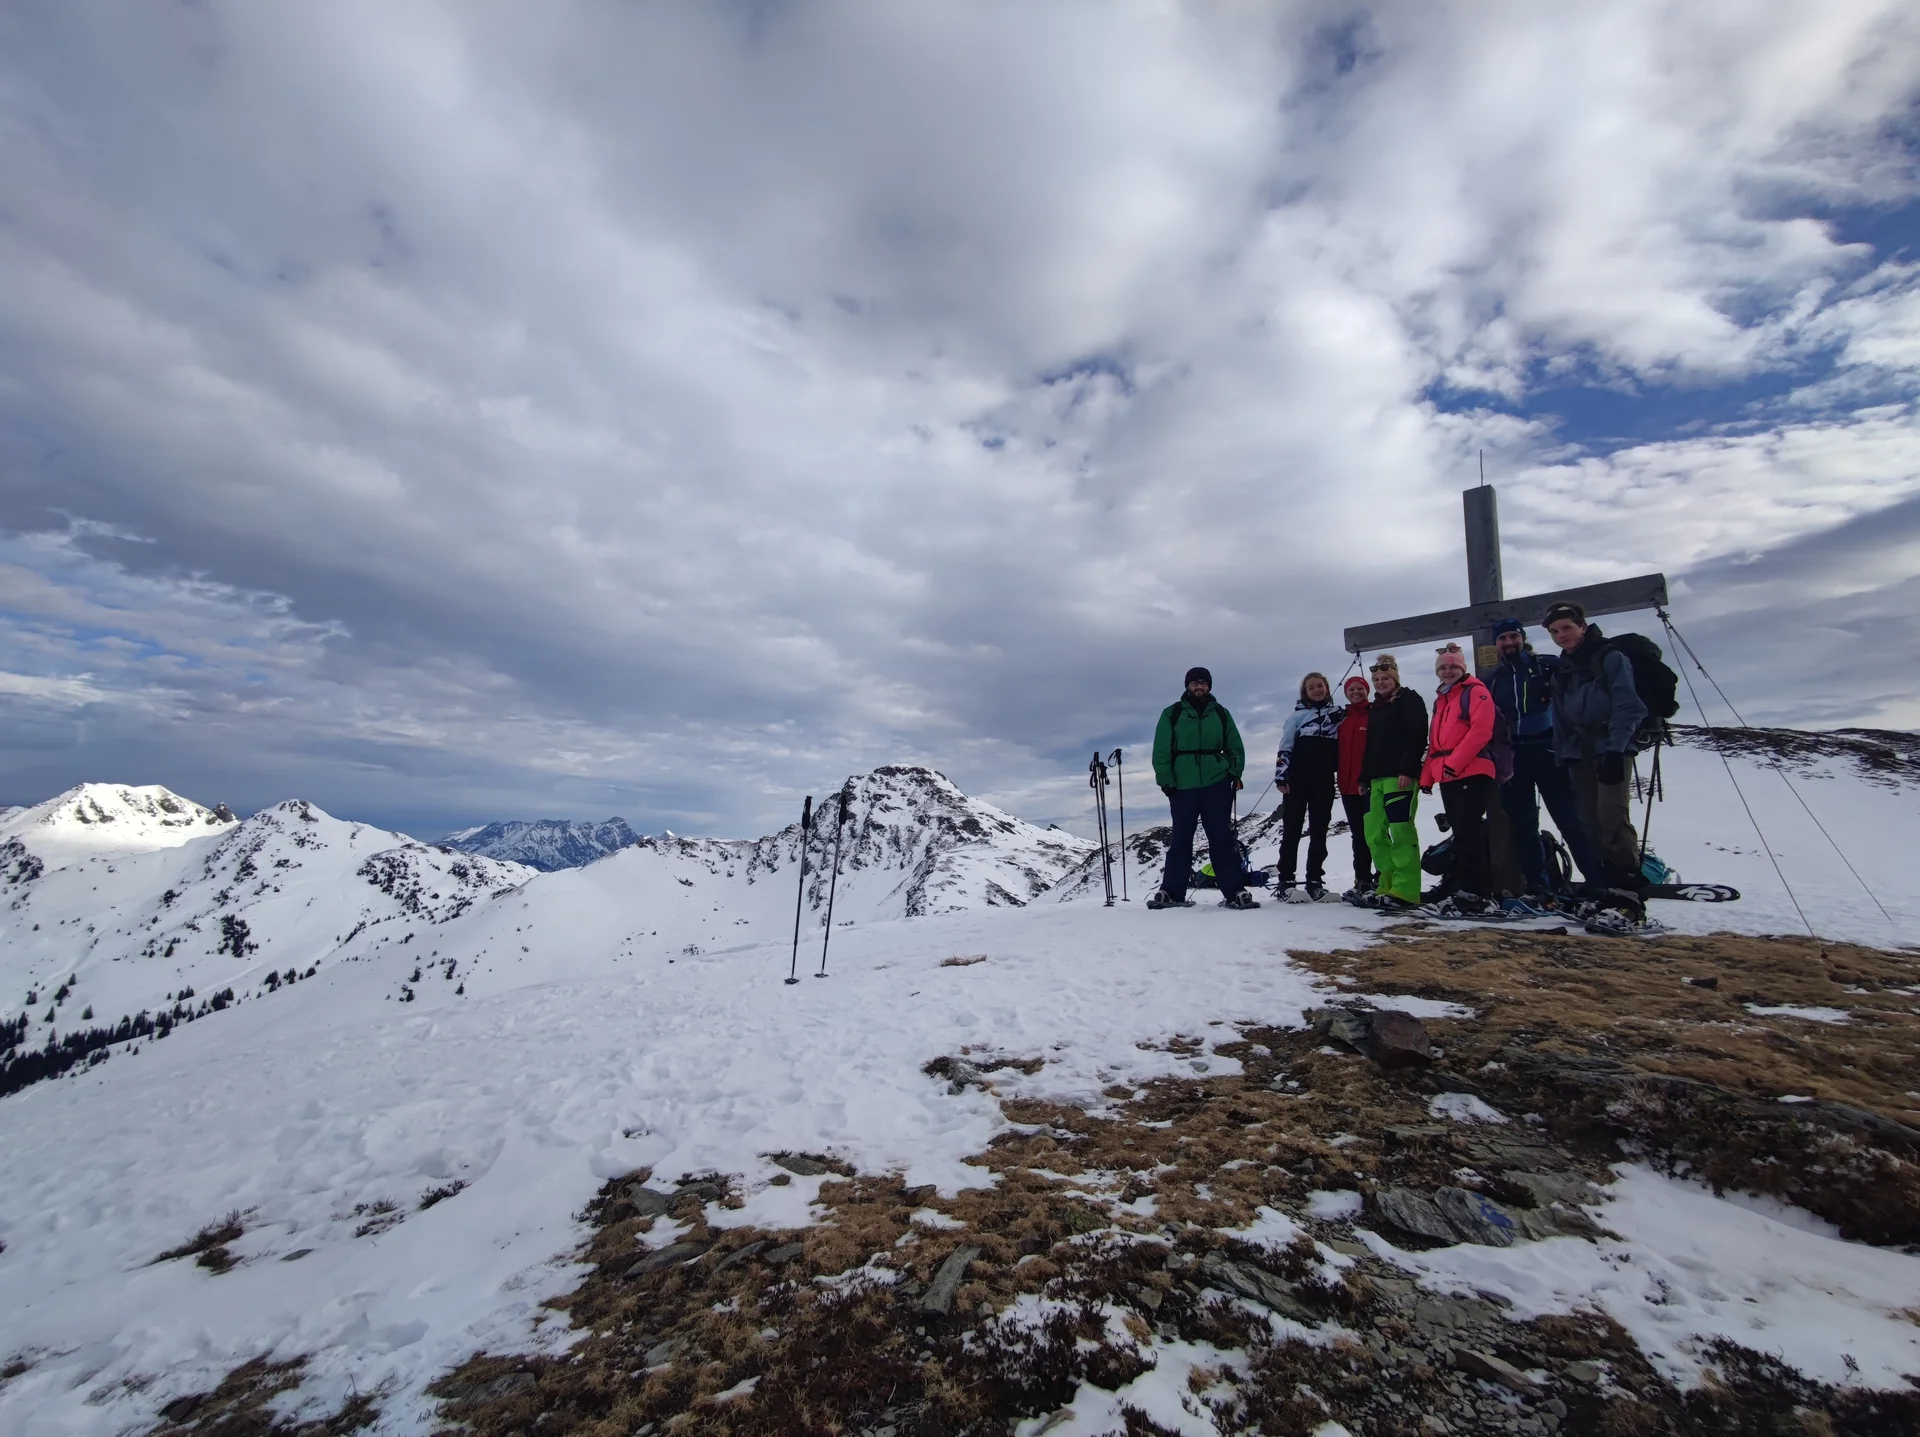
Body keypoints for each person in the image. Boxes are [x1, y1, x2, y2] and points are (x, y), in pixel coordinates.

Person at [1486, 617, 1607, 896]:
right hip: (1513, 755)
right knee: (1522, 822)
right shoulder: (1493, 680)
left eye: (1513, 637)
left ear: (1522, 638)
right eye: (1502, 639)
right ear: (1496, 644)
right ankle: (1538, 885)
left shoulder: (1549, 665)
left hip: (1549, 750)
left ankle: (1597, 881)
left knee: (1569, 819)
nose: (1509, 643)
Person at [1544, 602, 1649, 889]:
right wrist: (1562, 758)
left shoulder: (1610, 658)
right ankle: (1606, 884)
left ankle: (1628, 885)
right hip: (1579, 754)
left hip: (1610, 748)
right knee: (1589, 822)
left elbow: (1628, 704)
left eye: (1567, 627)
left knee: (1612, 816)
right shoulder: (1561, 672)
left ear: (1583, 626)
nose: (1561, 635)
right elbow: (1561, 720)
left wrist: (1616, 749)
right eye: (1555, 631)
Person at [1149, 666, 1257, 910]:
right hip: (1181, 783)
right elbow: (1161, 748)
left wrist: (1233, 772)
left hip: (1216, 782)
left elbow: (1234, 745)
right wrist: (1165, 778)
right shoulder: (1172, 713)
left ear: (1209, 686)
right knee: (1180, 838)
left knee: (1221, 837)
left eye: (1204, 683)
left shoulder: (1220, 713)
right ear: (1187, 685)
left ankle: (1235, 891)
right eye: (1195, 683)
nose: (1199, 687)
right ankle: (1172, 892)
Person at [1419, 643, 1497, 914]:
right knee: (1462, 834)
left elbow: (1481, 730)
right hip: (1449, 774)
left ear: (1462, 668)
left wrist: (1453, 764)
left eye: (1453, 666)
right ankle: (1466, 889)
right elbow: (1435, 742)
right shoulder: (1443, 699)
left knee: (1469, 832)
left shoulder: (1475, 692)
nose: (1448, 671)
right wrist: (1427, 776)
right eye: (1443, 667)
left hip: (1472, 771)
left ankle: (1477, 894)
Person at [1352, 653, 1427, 912]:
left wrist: (1408, 767)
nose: (1381, 682)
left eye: (1385, 678)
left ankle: (1405, 889)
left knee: (1400, 831)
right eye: (1376, 679)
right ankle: (1386, 884)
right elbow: (1371, 746)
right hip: (1376, 778)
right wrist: (1363, 777)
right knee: (1374, 832)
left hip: (1399, 777)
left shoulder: (1409, 699)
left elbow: (1416, 735)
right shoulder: (1377, 707)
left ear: (1395, 677)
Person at [1273, 672, 1342, 902]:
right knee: (1292, 829)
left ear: (1326, 687)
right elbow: (1285, 746)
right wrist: (1281, 777)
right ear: (1305, 692)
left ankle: (1315, 880)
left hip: (1323, 780)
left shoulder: (1338, 715)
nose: (1316, 690)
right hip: (1297, 780)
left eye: (1320, 686)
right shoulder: (1296, 717)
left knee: (1319, 830)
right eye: (1311, 687)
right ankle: (1286, 881)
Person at [1335, 674, 1375, 899]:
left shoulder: (1374, 715)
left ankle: (1381, 875)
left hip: (1368, 784)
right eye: (1351, 690)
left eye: (1360, 689)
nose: (1356, 692)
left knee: (1374, 833)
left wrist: (1366, 778)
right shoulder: (1343, 719)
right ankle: (1362, 878)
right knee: (1358, 835)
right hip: (1347, 786)